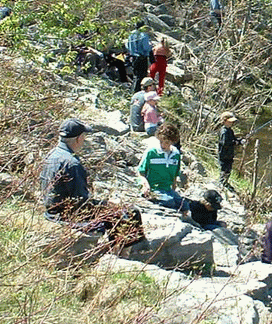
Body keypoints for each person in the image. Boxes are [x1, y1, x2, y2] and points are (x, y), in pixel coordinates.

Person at [40, 118, 144, 247]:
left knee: (113, 209)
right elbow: (81, 202)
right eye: (84, 137)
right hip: (68, 215)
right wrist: (107, 204)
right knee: (130, 212)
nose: (84, 141)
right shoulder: (72, 164)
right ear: (78, 139)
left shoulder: (52, 155)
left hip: (52, 211)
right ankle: (125, 253)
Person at [137, 123, 190, 215]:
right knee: (169, 202)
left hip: (167, 189)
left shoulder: (176, 154)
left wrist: (174, 191)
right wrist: (145, 185)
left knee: (185, 205)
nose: (163, 145)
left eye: (167, 142)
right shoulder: (151, 152)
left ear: (172, 142)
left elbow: (174, 176)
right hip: (154, 187)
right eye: (161, 141)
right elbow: (140, 172)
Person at [218, 111, 242, 188]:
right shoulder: (224, 131)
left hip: (229, 154)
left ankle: (225, 183)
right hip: (224, 154)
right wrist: (235, 143)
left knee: (228, 169)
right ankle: (222, 184)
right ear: (225, 121)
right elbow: (225, 143)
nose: (232, 123)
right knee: (224, 170)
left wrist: (239, 141)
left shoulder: (230, 130)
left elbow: (233, 139)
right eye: (230, 121)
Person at [126, 21, 152, 93]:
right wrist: (150, 46)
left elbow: (127, 45)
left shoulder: (131, 34)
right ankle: (136, 92)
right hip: (142, 57)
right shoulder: (143, 35)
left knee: (135, 76)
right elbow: (146, 47)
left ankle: (132, 91)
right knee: (141, 76)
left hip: (133, 57)